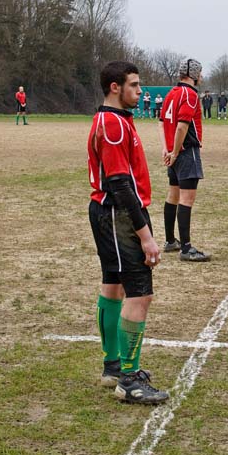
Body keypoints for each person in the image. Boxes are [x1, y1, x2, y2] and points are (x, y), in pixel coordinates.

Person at [87, 61, 168, 404]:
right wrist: (145, 234)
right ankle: (129, 379)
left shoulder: (112, 120)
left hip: (106, 211)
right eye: (134, 85)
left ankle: (113, 366)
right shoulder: (113, 124)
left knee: (113, 284)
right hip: (118, 213)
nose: (140, 91)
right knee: (140, 292)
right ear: (115, 88)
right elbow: (120, 184)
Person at [159, 57, 211, 262]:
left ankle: (171, 240)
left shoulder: (171, 93)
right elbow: (182, 126)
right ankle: (186, 248)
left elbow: (162, 123)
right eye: (200, 73)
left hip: (173, 152)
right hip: (186, 151)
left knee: (173, 195)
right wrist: (176, 150)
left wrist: (167, 149)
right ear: (194, 75)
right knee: (186, 199)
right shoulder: (189, 94)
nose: (202, 76)